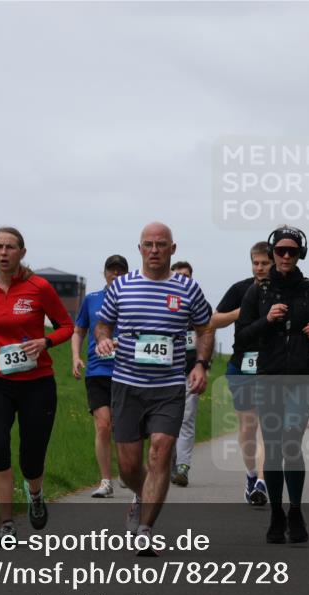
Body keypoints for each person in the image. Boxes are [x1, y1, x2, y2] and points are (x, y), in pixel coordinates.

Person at [94, 223, 214, 555]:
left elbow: (205, 328)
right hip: (127, 385)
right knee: (129, 467)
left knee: (160, 452)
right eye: (148, 244)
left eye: (162, 244)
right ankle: (140, 493)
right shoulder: (122, 286)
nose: (155, 249)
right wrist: (103, 339)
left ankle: (146, 528)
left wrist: (201, 364)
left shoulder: (188, 288)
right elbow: (103, 323)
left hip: (169, 387)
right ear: (140, 249)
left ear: (173, 249)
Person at [0, 227, 74, 538]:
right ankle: (7, 523)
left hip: (37, 383)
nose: (3, 253)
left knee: (32, 456)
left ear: (22, 253)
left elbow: (65, 326)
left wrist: (46, 342)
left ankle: (36, 495)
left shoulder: (38, 287)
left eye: (10, 247)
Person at [236, 225, 309, 544]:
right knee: (275, 446)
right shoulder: (260, 292)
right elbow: (241, 335)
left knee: (291, 441)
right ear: (272, 253)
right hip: (268, 376)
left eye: (292, 251)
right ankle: (276, 513)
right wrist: (266, 320)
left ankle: (295, 510)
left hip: (302, 377)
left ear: (300, 254)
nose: (285, 256)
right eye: (280, 250)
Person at [209, 242, 273, 505]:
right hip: (242, 364)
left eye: (264, 263)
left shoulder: (283, 290)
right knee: (248, 427)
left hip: (273, 366)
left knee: (268, 427)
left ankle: (262, 481)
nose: (259, 268)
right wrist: (241, 311)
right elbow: (214, 320)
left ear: (274, 263)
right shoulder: (240, 289)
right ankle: (250, 475)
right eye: (255, 263)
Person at [73, 254, 129, 498]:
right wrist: (75, 357)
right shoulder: (92, 299)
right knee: (104, 425)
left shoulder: (134, 298)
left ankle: (129, 471)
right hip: (97, 371)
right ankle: (106, 480)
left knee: (126, 427)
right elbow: (79, 331)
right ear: (104, 273)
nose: (115, 275)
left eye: (120, 271)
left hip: (127, 370)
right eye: (111, 271)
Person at [169, 260, 200, 487]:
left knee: (186, 419)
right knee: (164, 422)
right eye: (178, 275)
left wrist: (203, 365)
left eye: (186, 276)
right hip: (165, 373)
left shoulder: (198, 304)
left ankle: (183, 467)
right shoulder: (163, 302)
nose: (183, 279)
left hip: (190, 372)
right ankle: (164, 461)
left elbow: (207, 334)